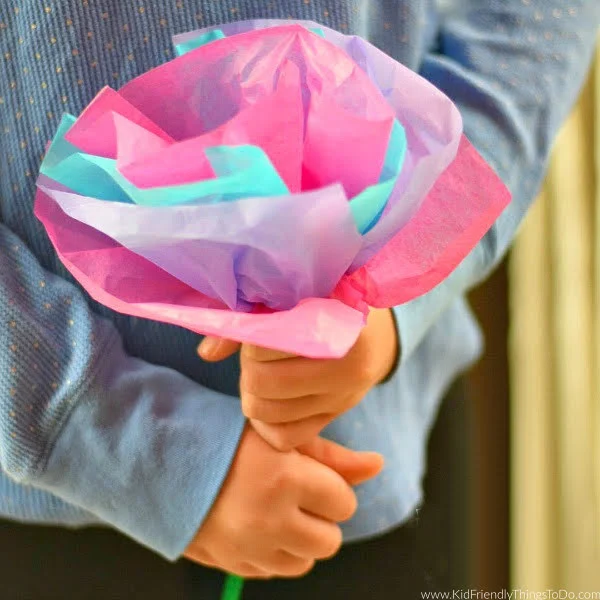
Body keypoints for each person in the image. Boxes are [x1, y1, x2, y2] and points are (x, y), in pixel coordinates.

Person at [0, 1, 598, 598]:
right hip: (50, 508)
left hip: (370, 460)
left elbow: (537, 19)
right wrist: (91, 426)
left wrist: (391, 288)